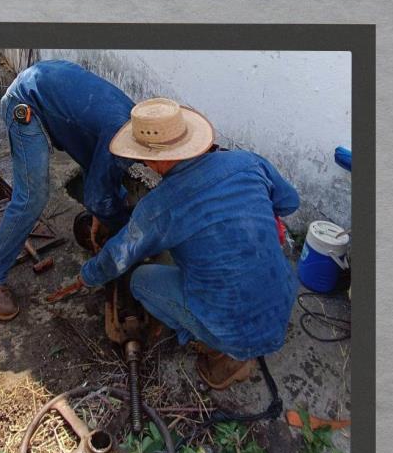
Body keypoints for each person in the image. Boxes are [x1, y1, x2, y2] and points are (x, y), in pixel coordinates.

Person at [78, 98, 300, 390]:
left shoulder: (159, 208)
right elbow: (289, 203)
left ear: (155, 161)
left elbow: (117, 258)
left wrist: (87, 275)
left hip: (236, 334)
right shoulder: (248, 161)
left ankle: (223, 353)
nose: (143, 163)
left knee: (141, 280)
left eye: (143, 158)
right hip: (283, 303)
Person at [0, 59, 135, 320]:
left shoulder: (134, 118)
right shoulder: (123, 134)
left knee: (103, 188)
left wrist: (103, 215)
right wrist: (117, 224)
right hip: (25, 101)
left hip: (52, 83)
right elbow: (97, 195)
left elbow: (97, 168)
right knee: (32, 198)